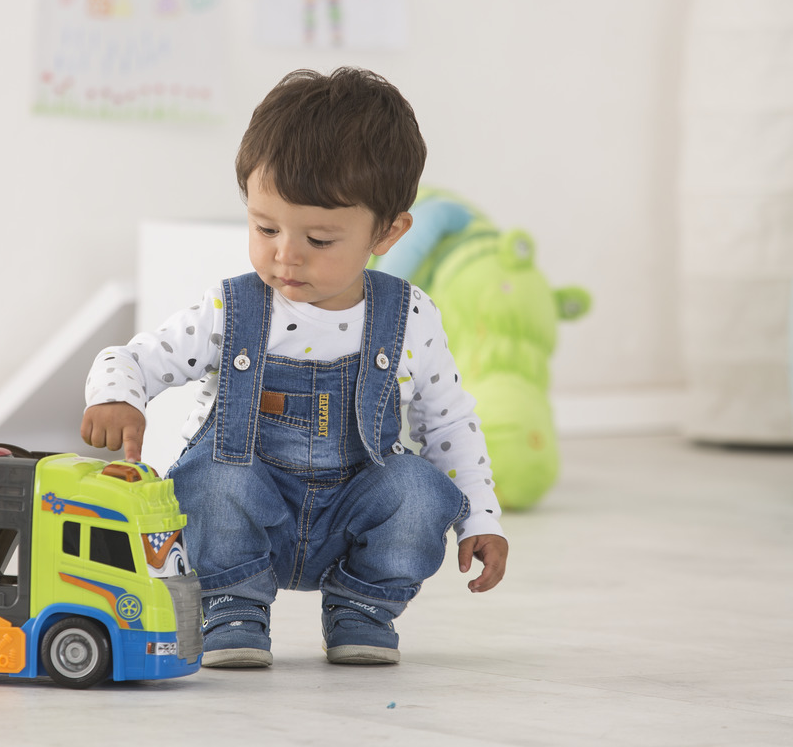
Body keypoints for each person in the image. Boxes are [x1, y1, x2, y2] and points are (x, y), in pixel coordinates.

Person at [82, 67, 508, 669]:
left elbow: (449, 423)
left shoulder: (409, 316)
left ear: (387, 232)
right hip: (250, 514)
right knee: (211, 479)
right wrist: (117, 395)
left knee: (418, 491)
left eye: (320, 239)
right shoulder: (231, 309)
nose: (285, 254)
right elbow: (134, 358)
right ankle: (232, 606)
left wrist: (481, 518)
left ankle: (364, 608)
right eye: (265, 227)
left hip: (353, 514)